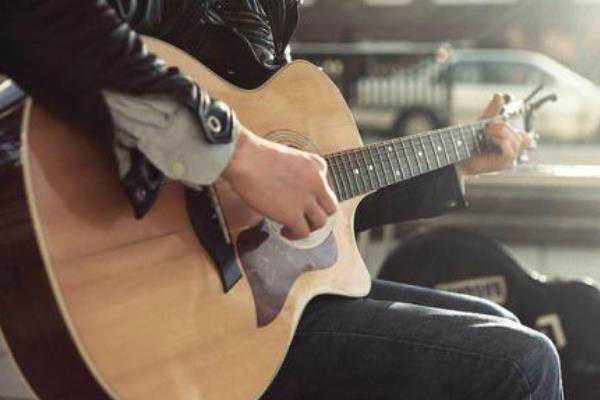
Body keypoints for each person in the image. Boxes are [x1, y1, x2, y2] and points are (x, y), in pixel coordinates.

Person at [0, 1, 563, 399]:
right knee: (523, 365)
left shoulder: (271, 18)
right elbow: (37, 19)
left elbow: (311, 205)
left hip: (244, 303)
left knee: (498, 322)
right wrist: (239, 154)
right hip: (160, 312)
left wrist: (460, 162)